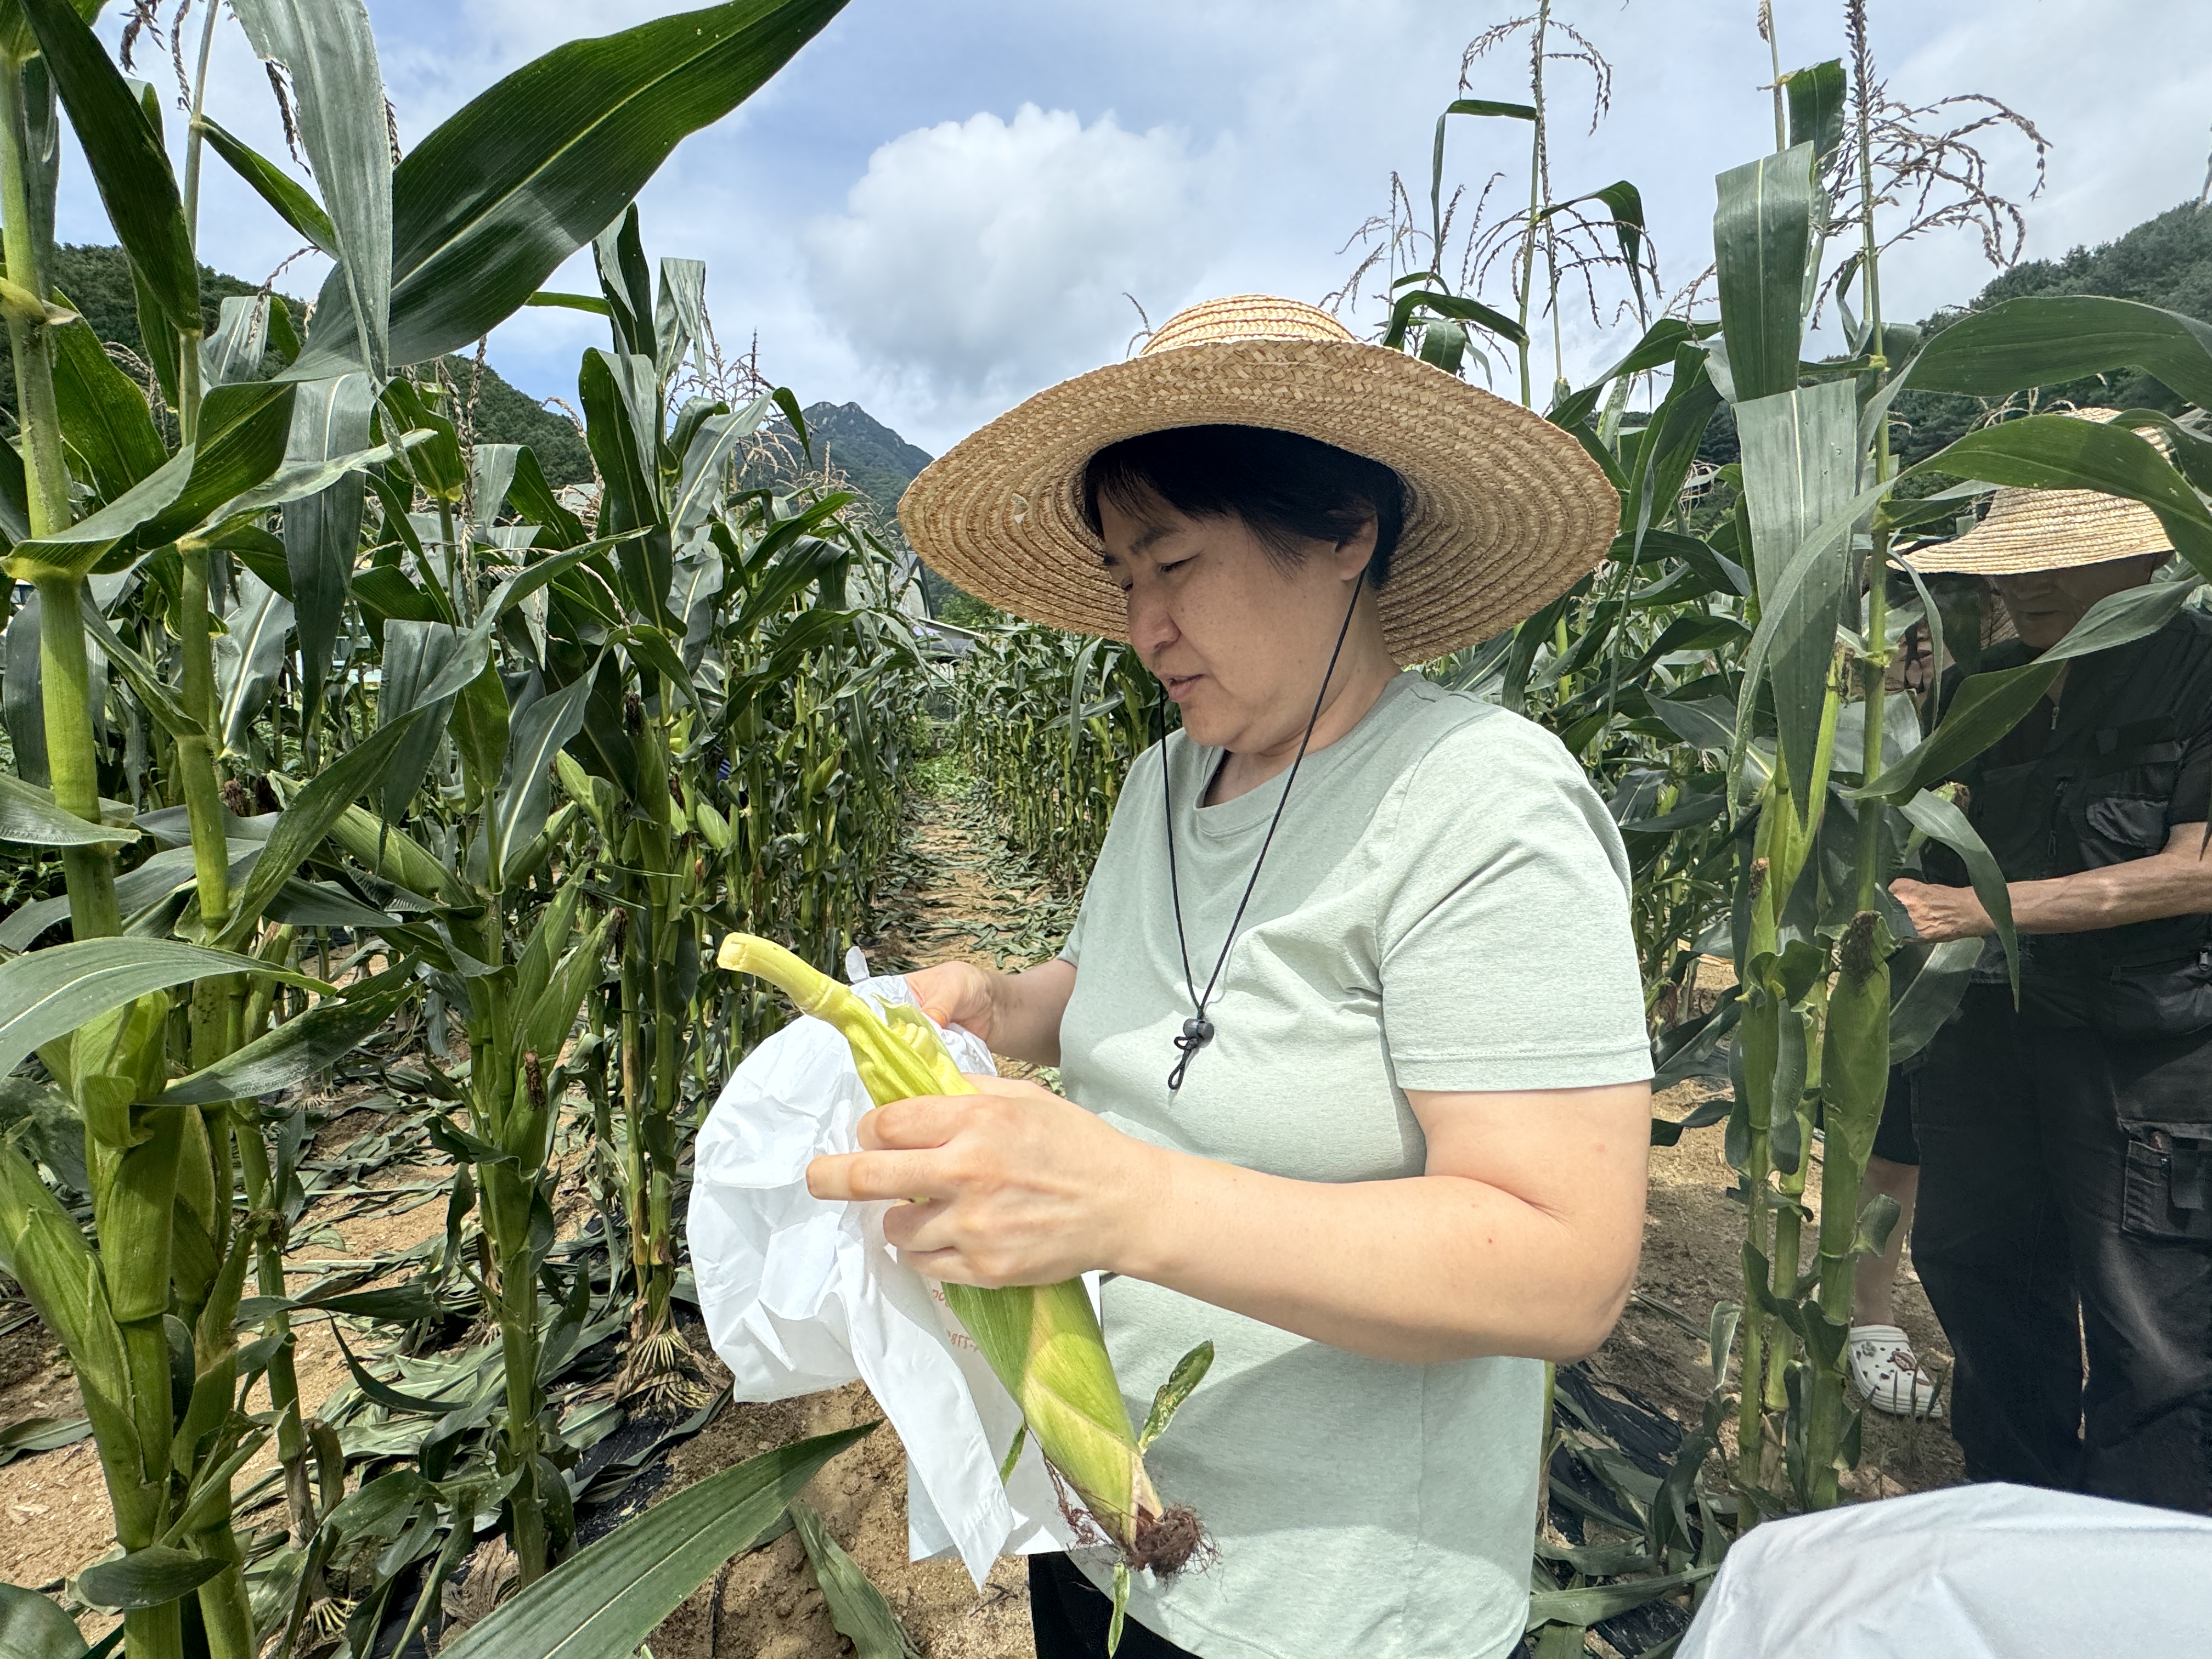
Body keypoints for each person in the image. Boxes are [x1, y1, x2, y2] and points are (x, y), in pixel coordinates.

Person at [810, 296, 1655, 1659]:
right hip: (1107, 1518)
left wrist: (1122, 1201)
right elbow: (1124, 985)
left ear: (1343, 533)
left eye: (1176, 563)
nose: (1142, 627)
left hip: (1334, 1611)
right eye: (1121, 581)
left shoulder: (1477, 806)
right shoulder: (1161, 783)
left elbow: (1565, 1267)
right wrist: (996, 1000)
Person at [1889, 409, 2212, 1514]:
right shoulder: (1981, 688)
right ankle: (2013, 1519)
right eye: (2015, 571)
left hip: (2142, 1060)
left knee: (2152, 1337)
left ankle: (2140, 1575)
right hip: (1983, 1045)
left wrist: (1981, 909)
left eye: (2062, 568)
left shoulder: (2203, 673)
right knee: (1982, 1287)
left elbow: (2197, 871)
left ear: (2152, 555)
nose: (2027, 593)